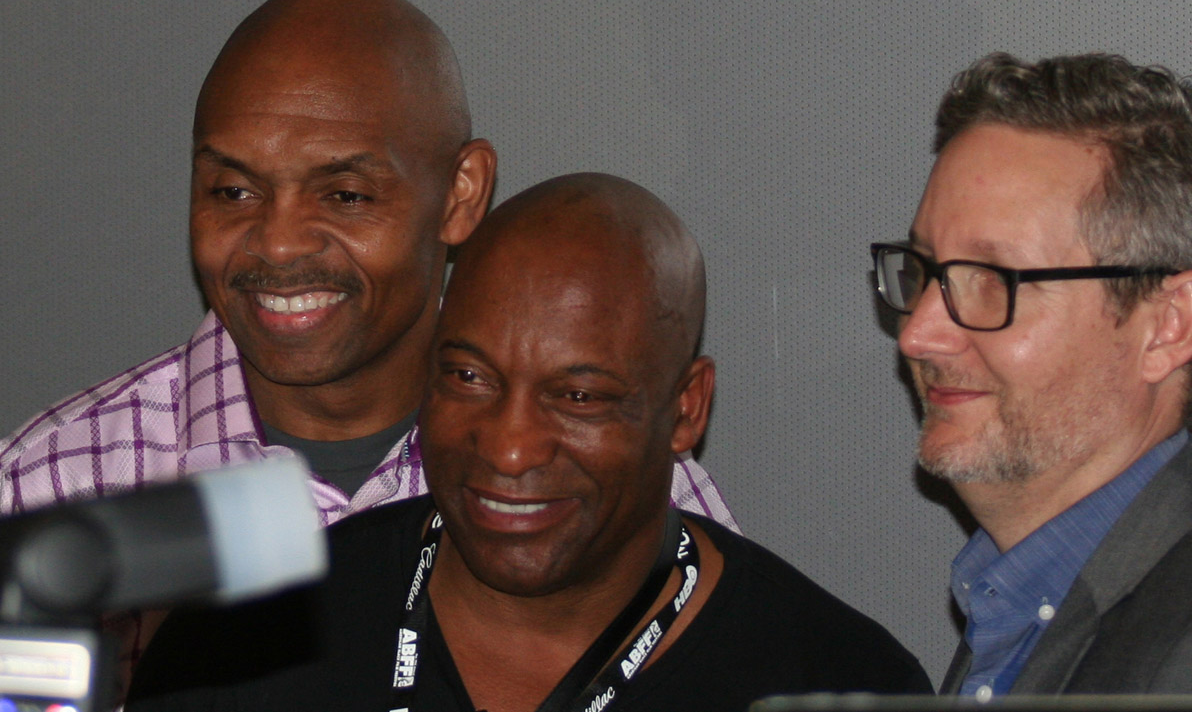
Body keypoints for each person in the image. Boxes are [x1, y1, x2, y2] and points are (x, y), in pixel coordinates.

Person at [126, 173, 931, 712]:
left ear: (686, 409)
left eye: (577, 396)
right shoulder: (235, 648)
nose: (508, 448)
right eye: (469, 378)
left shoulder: (836, 682)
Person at [0, 0, 737, 528]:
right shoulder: (55, 489)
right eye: (232, 192)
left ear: (460, 194)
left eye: (345, 195)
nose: (278, 241)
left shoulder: (591, 475)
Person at [871, 52, 1192, 696]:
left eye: (992, 281)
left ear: (1167, 327)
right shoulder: (1019, 599)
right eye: (923, 268)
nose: (917, 333)